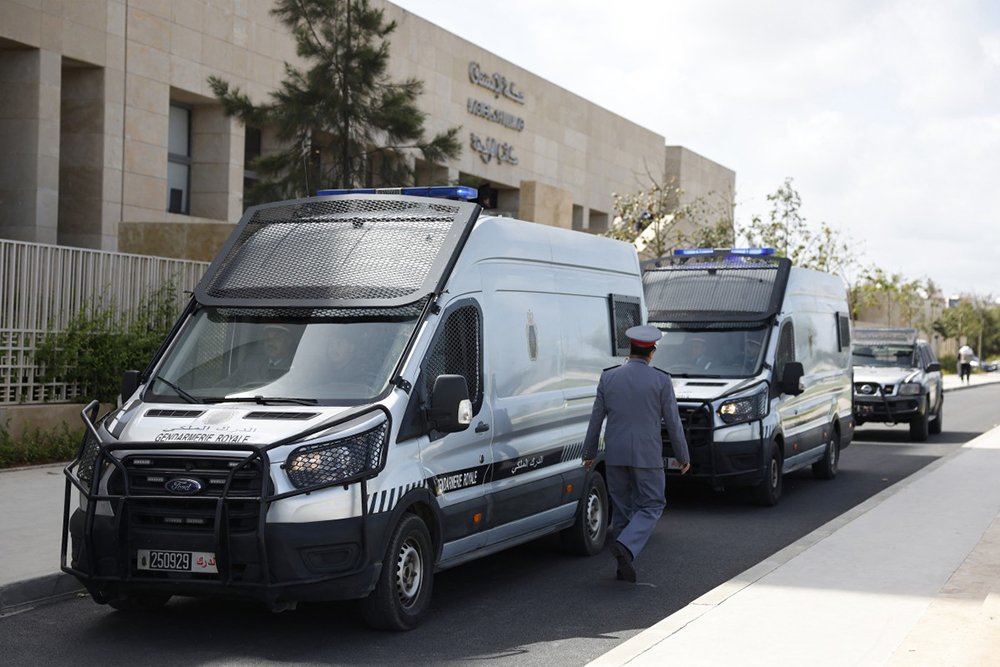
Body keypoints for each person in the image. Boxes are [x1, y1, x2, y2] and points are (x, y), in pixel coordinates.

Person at [581, 325, 691, 583]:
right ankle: (627, 547)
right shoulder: (661, 380)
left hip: (616, 454)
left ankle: (624, 564)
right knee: (653, 504)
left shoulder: (608, 378)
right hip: (647, 455)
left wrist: (589, 452)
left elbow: (596, 419)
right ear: (651, 352)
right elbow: (673, 423)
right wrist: (683, 457)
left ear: (629, 350)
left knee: (622, 508)